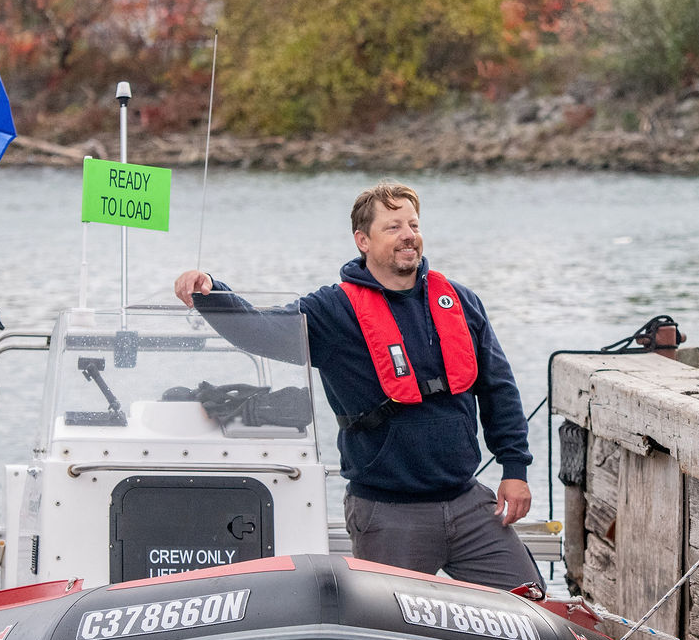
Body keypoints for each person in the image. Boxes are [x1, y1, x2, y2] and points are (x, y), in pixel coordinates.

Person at [172, 180, 541, 592]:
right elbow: (264, 331)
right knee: (395, 634)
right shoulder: (333, 310)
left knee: (533, 603)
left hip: (469, 503)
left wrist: (514, 468)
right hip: (389, 514)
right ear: (362, 240)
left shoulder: (459, 300)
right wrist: (212, 292)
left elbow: (499, 388)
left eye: (413, 225)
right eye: (393, 227)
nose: (408, 236)